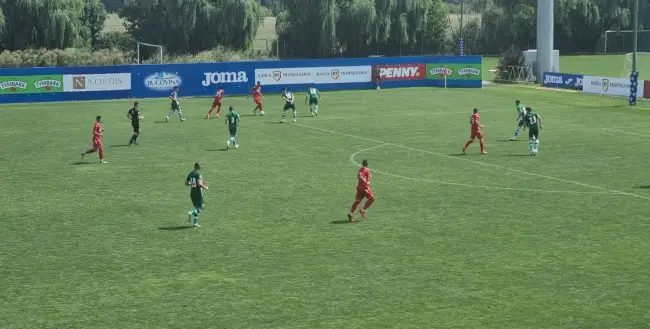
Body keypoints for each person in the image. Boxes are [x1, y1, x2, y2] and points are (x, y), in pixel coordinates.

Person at [185, 162, 208, 228]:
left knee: (196, 208)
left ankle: (195, 223)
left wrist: (192, 184)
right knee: (201, 209)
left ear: (194, 166)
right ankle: (191, 213)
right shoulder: (199, 174)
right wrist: (205, 187)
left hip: (192, 193)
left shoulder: (190, 173)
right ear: (199, 167)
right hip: (198, 193)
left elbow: (186, 183)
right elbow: (199, 184)